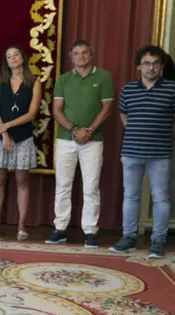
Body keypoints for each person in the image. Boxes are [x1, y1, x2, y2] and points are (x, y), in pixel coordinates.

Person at [109, 45, 175, 259]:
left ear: (161, 66)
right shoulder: (128, 90)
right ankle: (128, 238)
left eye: (156, 63)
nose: (151, 67)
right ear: (139, 67)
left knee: (161, 198)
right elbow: (125, 119)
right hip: (131, 152)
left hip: (160, 154)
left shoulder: (172, 88)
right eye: (146, 63)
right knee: (131, 196)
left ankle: (158, 241)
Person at [47, 40, 114, 248]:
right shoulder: (64, 79)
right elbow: (57, 109)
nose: (81, 56)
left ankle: (90, 231)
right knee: (63, 185)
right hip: (66, 139)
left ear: (91, 55)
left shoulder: (104, 77)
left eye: (84, 53)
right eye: (76, 53)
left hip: (93, 141)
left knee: (91, 186)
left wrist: (89, 131)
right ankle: (60, 228)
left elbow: (107, 108)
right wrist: (75, 129)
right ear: (71, 57)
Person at [0, 45, 42, 240]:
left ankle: (21, 227)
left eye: (16, 54)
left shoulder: (34, 82)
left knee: (22, 181)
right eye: (9, 56)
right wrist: (5, 134)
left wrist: (7, 126)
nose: (13, 58)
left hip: (24, 137)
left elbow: (32, 114)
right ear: (6, 62)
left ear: (22, 58)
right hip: (1, 139)